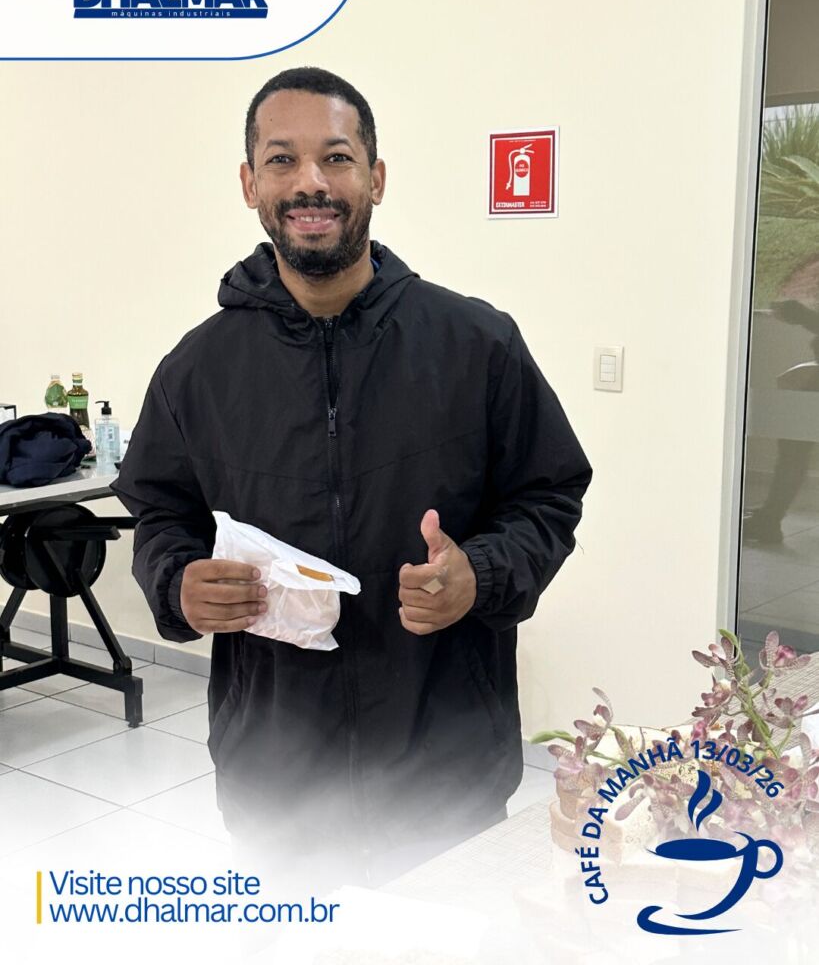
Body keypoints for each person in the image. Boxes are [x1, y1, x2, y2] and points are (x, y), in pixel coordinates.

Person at [111, 66, 592, 887]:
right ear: (249, 183)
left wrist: (479, 574)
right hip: (276, 781)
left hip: (445, 770)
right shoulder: (196, 370)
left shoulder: (476, 345)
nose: (311, 183)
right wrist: (176, 583)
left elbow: (547, 495)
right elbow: (160, 514)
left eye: (336, 157)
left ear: (375, 177)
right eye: (281, 159)